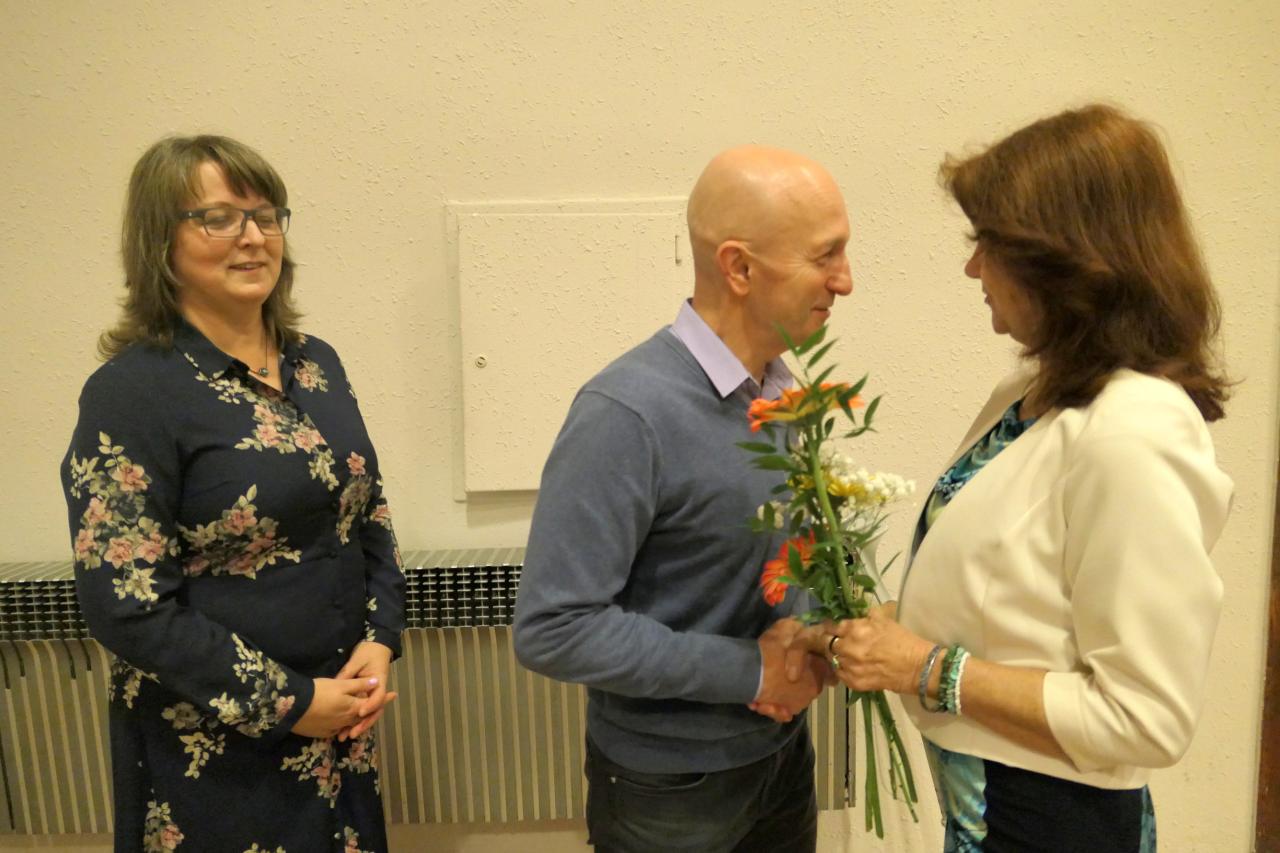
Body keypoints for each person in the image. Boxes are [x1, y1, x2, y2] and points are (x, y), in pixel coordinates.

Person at [791, 104, 1234, 852]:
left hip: (1051, 820)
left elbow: (1146, 717)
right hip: (989, 810)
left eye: (987, 244)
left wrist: (925, 666)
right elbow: (1025, 599)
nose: (973, 269)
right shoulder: (1031, 396)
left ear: (1061, 262)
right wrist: (886, 631)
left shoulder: (1134, 430)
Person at [60, 135, 406, 852]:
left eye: (265, 215)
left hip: (341, 729)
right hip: (213, 759)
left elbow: (365, 515)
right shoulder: (133, 393)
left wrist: (380, 641)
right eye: (218, 218)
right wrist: (290, 702)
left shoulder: (317, 364)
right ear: (161, 242)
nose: (252, 237)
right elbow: (126, 605)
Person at [513, 145, 852, 853]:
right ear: (739, 268)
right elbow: (553, 627)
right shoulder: (624, 413)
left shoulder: (784, 394)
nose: (845, 280)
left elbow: (774, 564)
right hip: (669, 790)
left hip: (783, 758)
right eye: (825, 256)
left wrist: (816, 633)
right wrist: (750, 670)